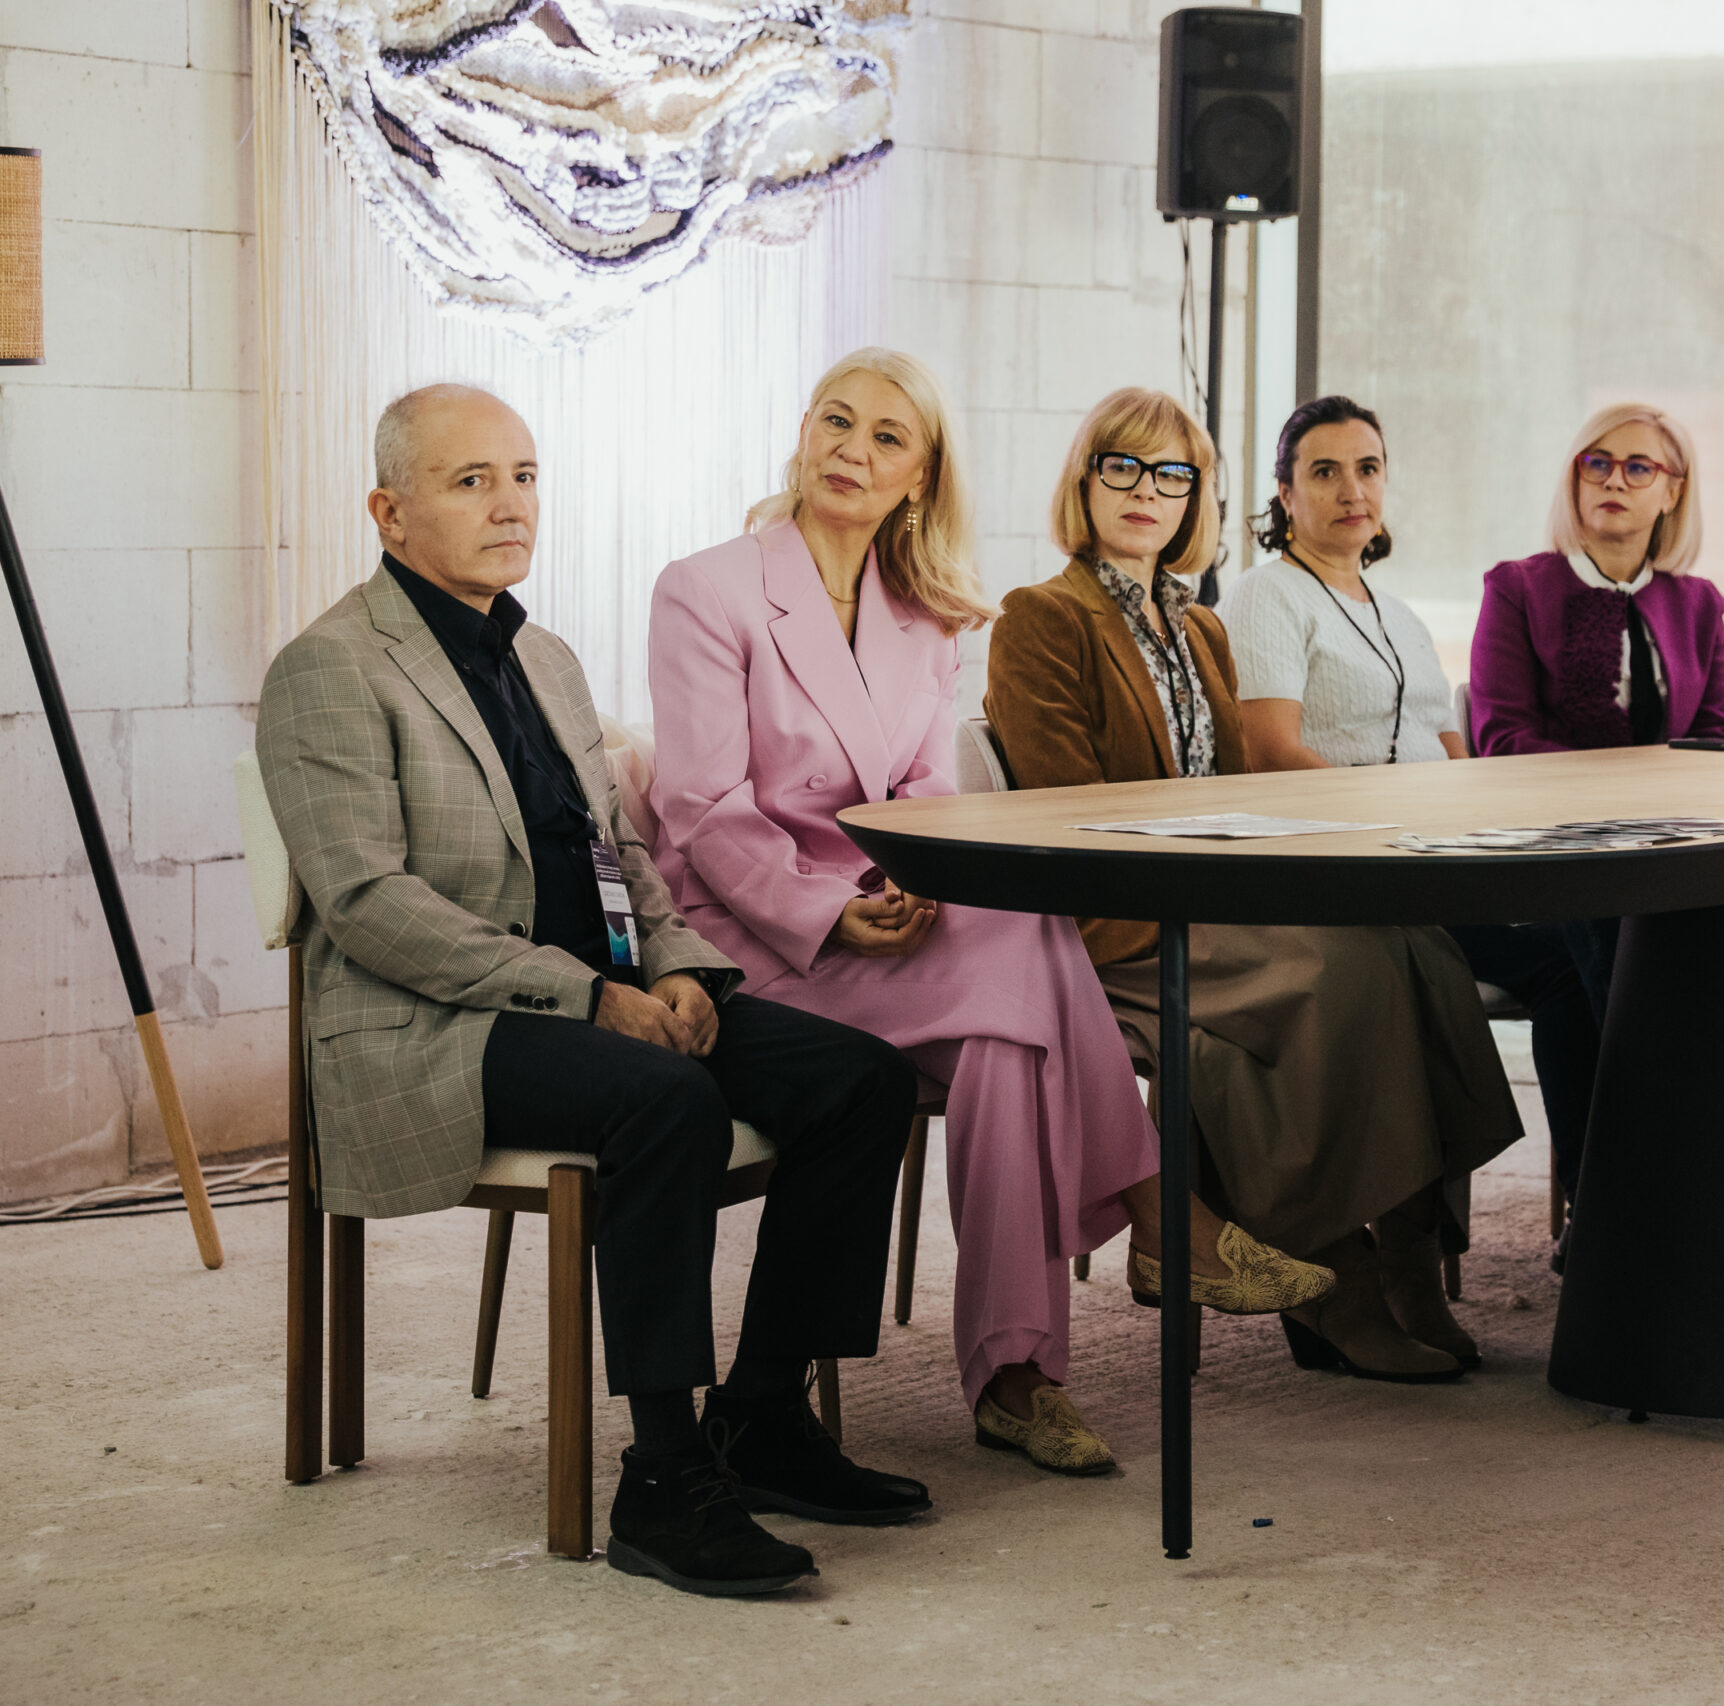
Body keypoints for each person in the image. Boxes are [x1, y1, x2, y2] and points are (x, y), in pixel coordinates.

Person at [257, 384, 923, 1600]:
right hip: (434, 1025)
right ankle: (663, 1478)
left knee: (860, 1079)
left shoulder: (545, 658)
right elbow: (367, 904)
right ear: (389, 512)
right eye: (470, 481)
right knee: (663, 1099)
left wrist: (674, 963)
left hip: (607, 993)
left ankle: (760, 1416)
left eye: (522, 476)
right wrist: (582, 994)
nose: (509, 504)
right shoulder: (330, 668)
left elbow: (618, 851)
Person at [646, 350, 1329, 1477]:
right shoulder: (707, 589)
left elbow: (921, 788)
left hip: (888, 915)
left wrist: (915, 882)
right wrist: (830, 911)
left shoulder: (925, 616)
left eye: (887, 437)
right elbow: (702, 810)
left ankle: (1021, 1376)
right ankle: (1148, 1231)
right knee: (1028, 953)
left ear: (920, 475)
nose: (851, 450)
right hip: (753, 932)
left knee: (1008, 1031)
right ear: (803, 433)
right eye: (835, 421)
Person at [985, 386, 1523, 1383]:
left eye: (1173, 474)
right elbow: (1064, 821)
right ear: (1084, 481)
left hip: (1220, 898)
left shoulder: (1199, 629)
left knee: (1414, 948)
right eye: (1122, 466)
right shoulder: (1041, 617)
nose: (1147, 491)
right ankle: (1337, 1277)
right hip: (1121, 920)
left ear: (1197, 497)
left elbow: (1239, 794)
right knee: (1339, 975)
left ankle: (1412, 1252)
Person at [1219, 394, 1600, 1272]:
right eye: (1324, 471)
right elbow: (1270, 753)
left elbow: (1453, 752)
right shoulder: (1267, 595)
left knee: (1593, 936)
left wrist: (1487, 835)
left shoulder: (1399, 615)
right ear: (1285, 494)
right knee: (1570, 954)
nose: (1352, 489)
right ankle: (1551, 1215)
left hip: (1437, 865)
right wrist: (1400, 823)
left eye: (1368, 468)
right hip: (1348, 875)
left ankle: (1604, 1198)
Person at [1464, 402, 1724, 1028]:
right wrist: (1626, 794)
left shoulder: (1699, 604)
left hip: (1668, 844)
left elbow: (1720, 737)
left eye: (1639, 467)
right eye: (1598, 464)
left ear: (1673, 492)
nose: (1614, 480)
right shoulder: (1517, 588)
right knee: (1617, 925)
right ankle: (1639, 1092)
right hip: (1551, 845)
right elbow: (1503, 741)